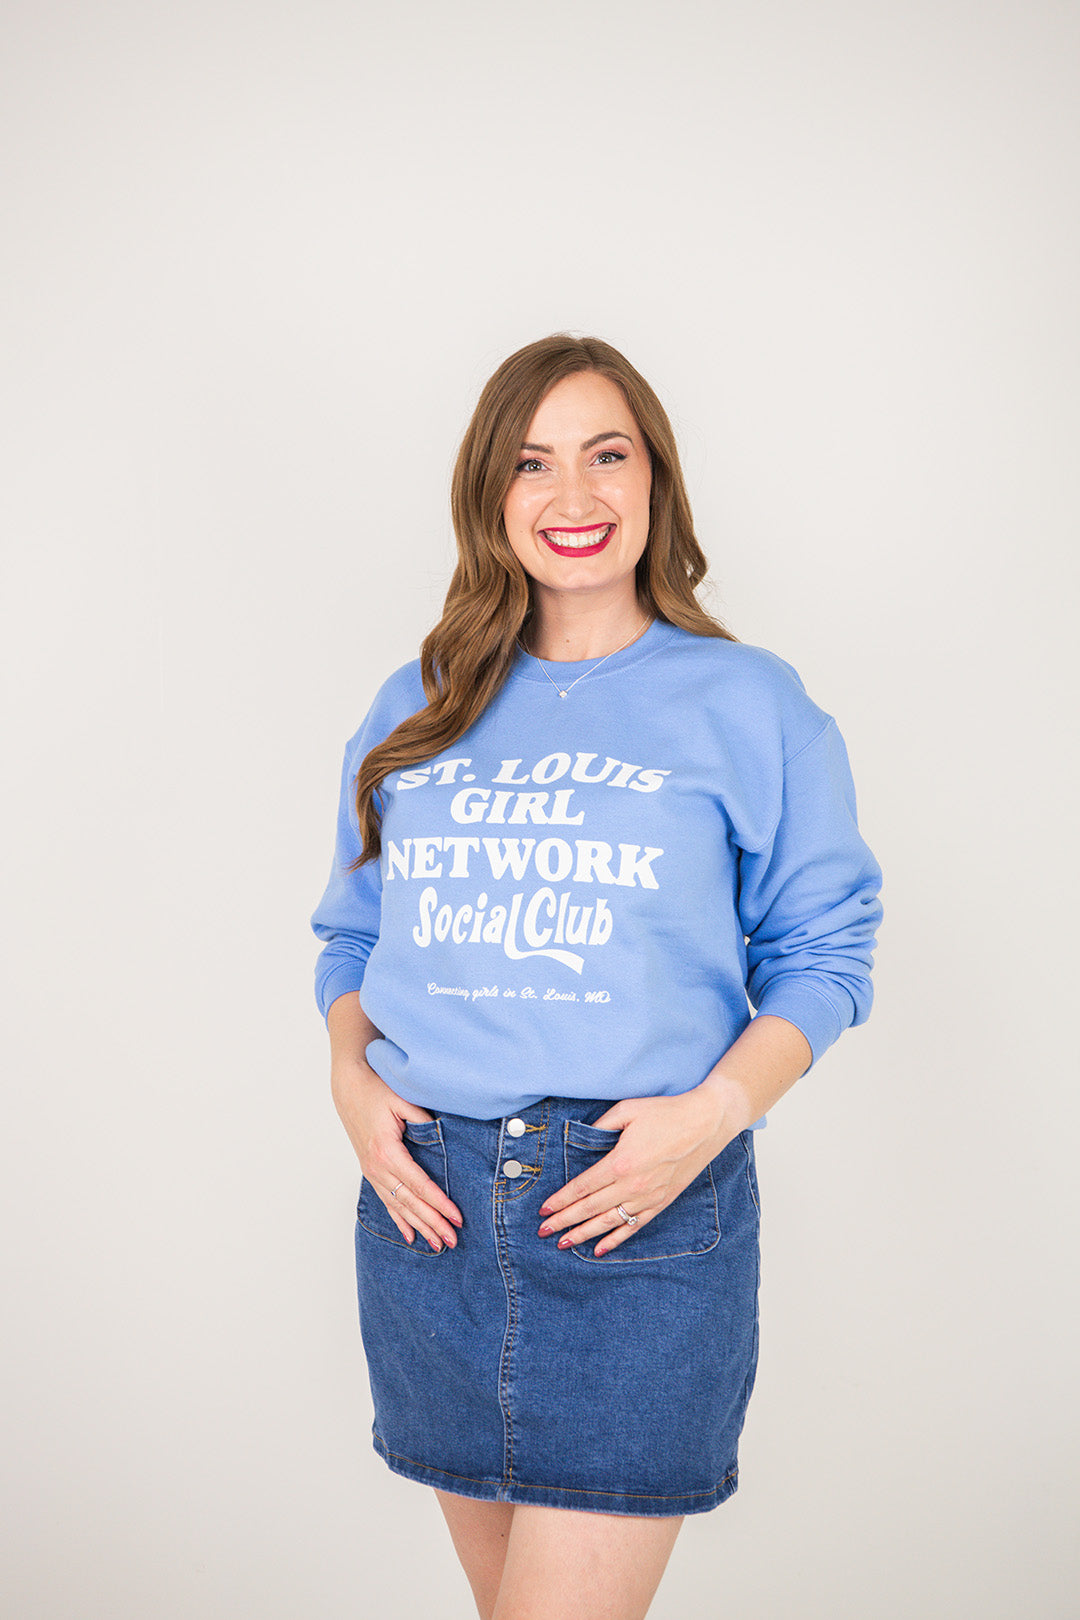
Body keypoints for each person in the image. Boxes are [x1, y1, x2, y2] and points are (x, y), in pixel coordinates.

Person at [310, 332, 883, 1620]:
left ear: (655, 480)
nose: (574, 498)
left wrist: (714, 1117)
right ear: (489, 496)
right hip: (430, 1217)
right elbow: (352, 934)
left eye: (606, 455)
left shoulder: (746, 701)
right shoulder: (425, 699)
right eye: (532, 464)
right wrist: (348, 1081)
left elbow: (826, 949)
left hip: (637, 1208)